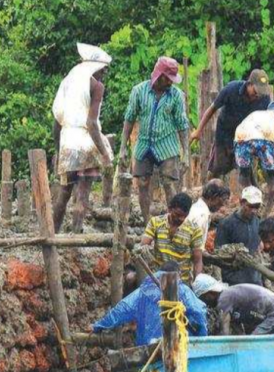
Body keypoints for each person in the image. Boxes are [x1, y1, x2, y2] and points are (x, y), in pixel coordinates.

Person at [119, 56, 190, 224]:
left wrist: (186, 152)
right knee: (143, 183)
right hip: (144, 144)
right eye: (169, 79)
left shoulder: (176, 96)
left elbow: (182, 125)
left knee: (169, 184)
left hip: (167, 146)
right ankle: (146, 222)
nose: (171, 83)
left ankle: (173, 224)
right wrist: (123, 147)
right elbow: (129, 119)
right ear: (160, 76)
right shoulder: (139, 91)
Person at [52, 44, 114, 233]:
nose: (103, 74)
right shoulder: (96, 86)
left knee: (64, 193)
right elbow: (92, 124)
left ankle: (53, 233)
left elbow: (57, 119)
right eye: (103, 70)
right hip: (85, 144)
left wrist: (58, 149)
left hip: (67, 142)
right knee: (83, 195)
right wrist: (104, 153)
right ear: (96, 67)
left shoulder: (68, 81)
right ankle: (75, 236)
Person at [87, 261, 208, 346]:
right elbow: (199, 311)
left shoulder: (142, 292)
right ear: (179, 274)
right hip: (179, 345)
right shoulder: (183, 291)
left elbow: (121, 310)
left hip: (149, 346)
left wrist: (98, 326)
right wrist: (202, 340)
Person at [190, 70, 272, 179]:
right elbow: (212, 109)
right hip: (225, 132)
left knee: (243, 168)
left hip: (246, 136)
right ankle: (209, 186)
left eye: (261, 93)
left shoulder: (264, 99)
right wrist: (198, 130)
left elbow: (265, 121)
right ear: (249, 84)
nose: (257, 95)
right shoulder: (231, 89)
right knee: (219, 167)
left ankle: (245, 192)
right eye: (256, 91)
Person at [233, 102, 274, 215]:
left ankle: (247, 206)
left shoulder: (259, 114)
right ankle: (266, 213)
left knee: (244, 174)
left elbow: (248, 163)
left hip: (240, 135)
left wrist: (256, 186)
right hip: (266, 135)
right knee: (273, 178)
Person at [192, 274, 274, 335]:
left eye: (203, 298)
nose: (205, 303)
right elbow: (239, 334)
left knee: (253, 343)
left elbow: (225, 333)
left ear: (210, 293)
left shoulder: (224, 298)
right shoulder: (231, 299)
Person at [142, 192, 204, 283]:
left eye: (185, 216)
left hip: (181, 282)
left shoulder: (194, 230)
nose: (182, 219)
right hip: (158, 279)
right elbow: (143, 246)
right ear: (170, 209)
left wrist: (197, 283)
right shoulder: (155, 222)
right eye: (178, 215)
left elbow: (198, 261)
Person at [215, 186, 264, 286]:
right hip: (233, 282)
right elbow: (218, 255)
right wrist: (219, 284)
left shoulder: (258, 222)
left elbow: (257, 250)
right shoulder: (226, 224)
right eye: (250, 206)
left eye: (257, 207)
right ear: (242, 202)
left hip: (254, 280)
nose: (254, 211)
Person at [187, 179, 231, 251]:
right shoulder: (202, 216)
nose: (223, 204)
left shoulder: (195, 207)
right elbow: (196, 249)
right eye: (222, 199)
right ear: (213, 197)